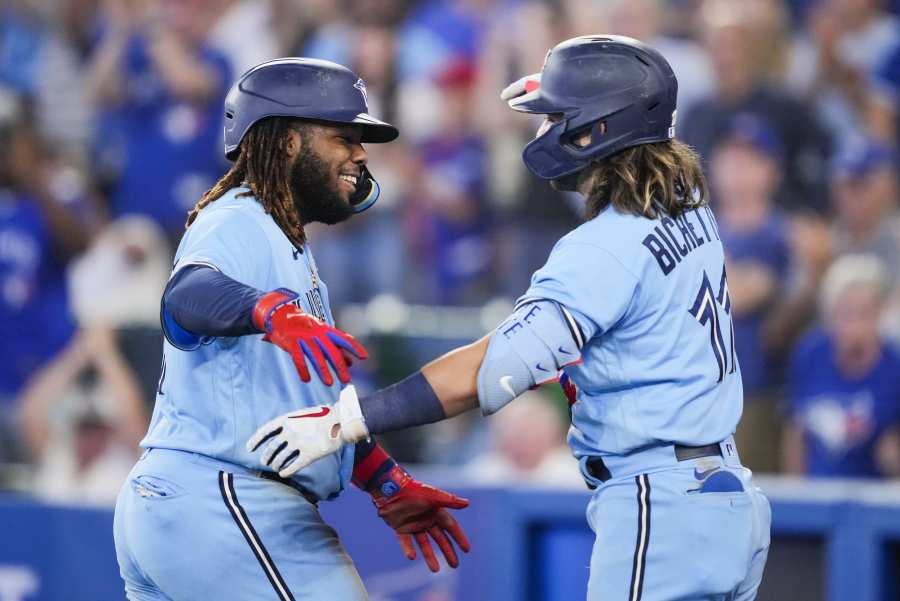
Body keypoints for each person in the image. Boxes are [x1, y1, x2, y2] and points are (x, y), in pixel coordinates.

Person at [250, 36, 772, 600]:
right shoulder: (689, 204)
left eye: (555, 116)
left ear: (598, 129)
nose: (543, 130)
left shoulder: (603, 247)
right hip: (725, 499)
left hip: (661, 505)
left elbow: (492, 370)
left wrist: (346, 421)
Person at [113, 58, 470, 601]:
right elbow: (186, 295)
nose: (358, 154)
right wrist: (269, 312)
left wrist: (383, 481)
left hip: (184, 504)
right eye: (341, 136)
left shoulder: (285, 244)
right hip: (227, 499)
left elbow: (303, 405)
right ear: (284, 142)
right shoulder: (239, 217)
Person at [782, 254, 900, 478]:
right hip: (818, 493)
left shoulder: (894, 366)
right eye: (846, 313)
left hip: (873, 499)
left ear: (881, 314)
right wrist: (795, 487)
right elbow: (795, 431)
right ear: (830, 315)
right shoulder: (810, 354)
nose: (855, 325)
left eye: (865, 313)